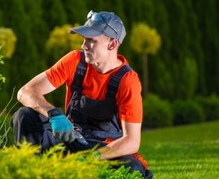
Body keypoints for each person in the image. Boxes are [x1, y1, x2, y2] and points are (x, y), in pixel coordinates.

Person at [11, 10, 152, 178]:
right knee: (24, 116)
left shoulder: (127, 80)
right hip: (69, 138)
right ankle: (28, 173)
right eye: (84, 39)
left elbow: (132, 142)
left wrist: (91, 158)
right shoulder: (75, 61)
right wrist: (53, 114)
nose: (84, 46)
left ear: (112, 44)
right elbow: (25, 92)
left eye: (91, 40)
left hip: (102, 149)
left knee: (132, 170)